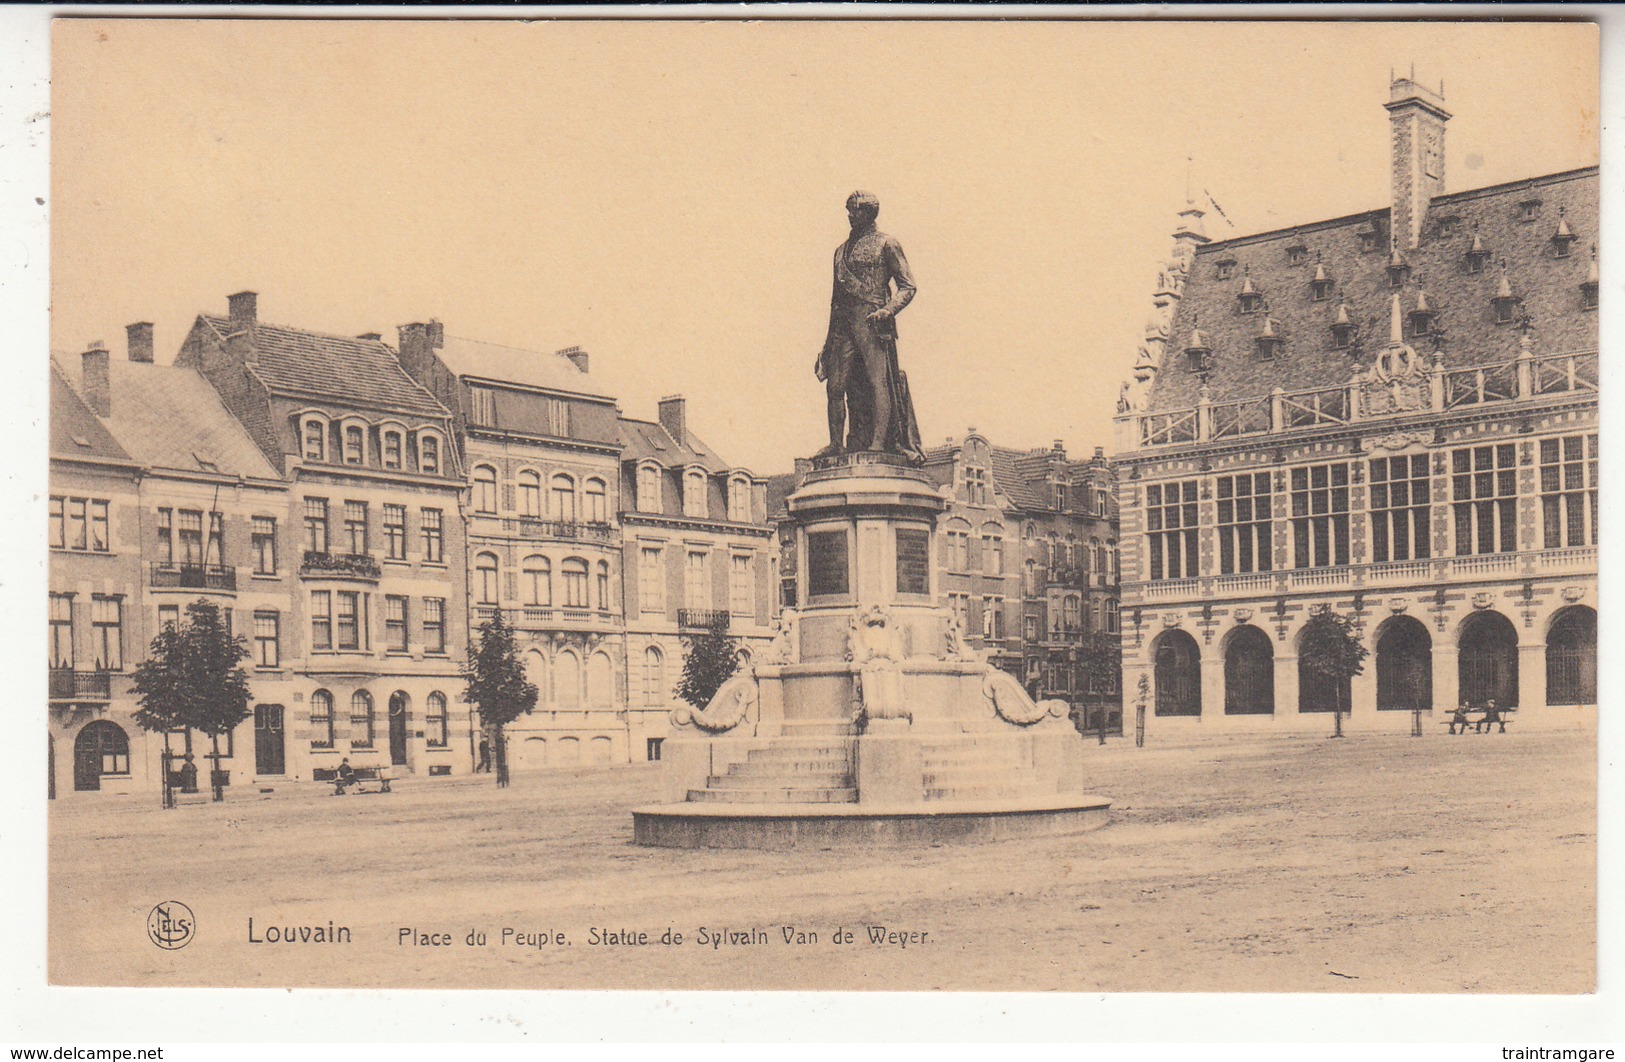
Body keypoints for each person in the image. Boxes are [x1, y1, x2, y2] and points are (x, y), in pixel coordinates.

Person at [815, 191, 924, 463]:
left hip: (873, 321)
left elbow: (908, 286)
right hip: (843, 324)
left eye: (856, 211)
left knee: (878, 382)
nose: (851, 216)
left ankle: (878, 442)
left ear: (870, 213)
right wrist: (827, 344)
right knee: (835, 386)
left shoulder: (887, 244)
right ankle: (835, 444)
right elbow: (834, 300)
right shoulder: (839, 252)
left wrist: (888, 310)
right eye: (849, 210)